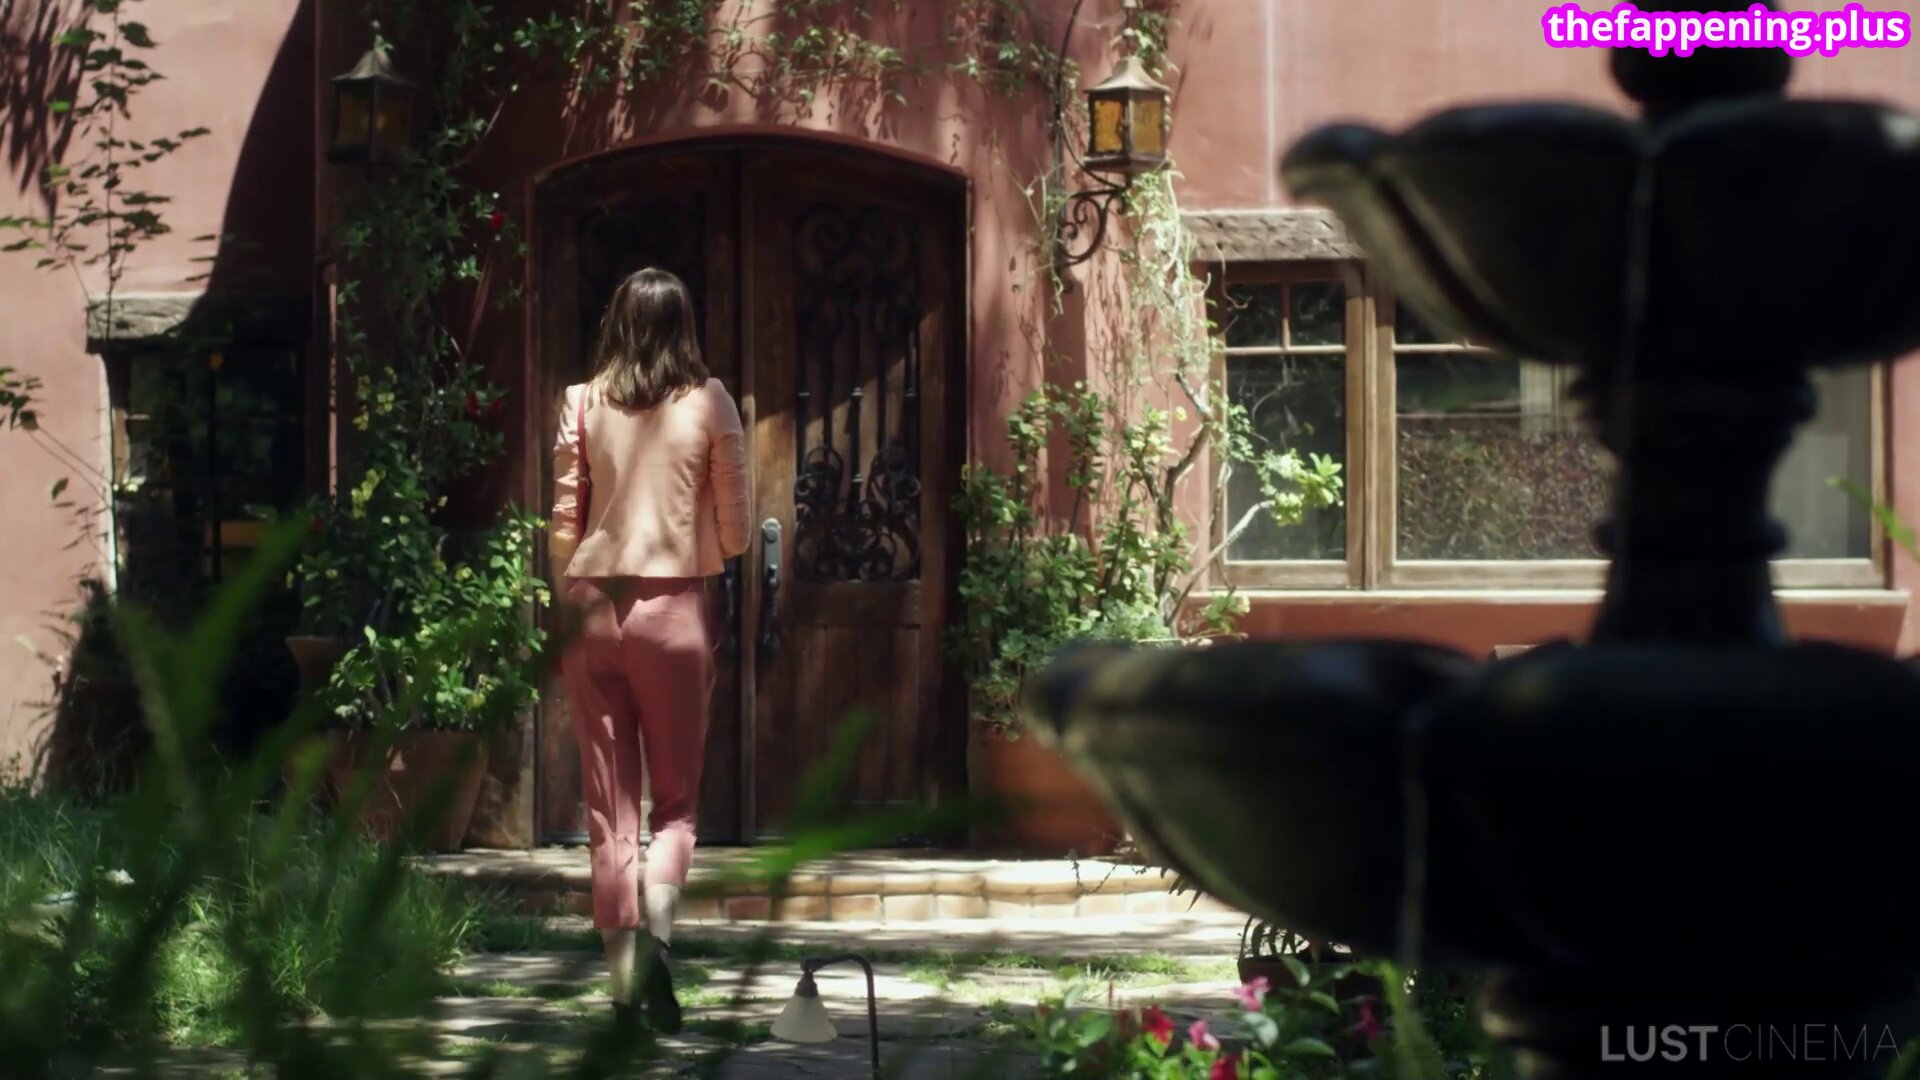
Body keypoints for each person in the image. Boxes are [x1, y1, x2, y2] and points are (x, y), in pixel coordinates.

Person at [549, 267, 750, 1031]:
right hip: (673, 610)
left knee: (608, 809)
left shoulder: (582, 400)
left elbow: (563, 526)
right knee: (676, 807)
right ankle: (656, 948)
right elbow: (737, 530)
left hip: (591, 605)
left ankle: (621, 994)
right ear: (684, 325)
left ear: (619, 323)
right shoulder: (711, 400)